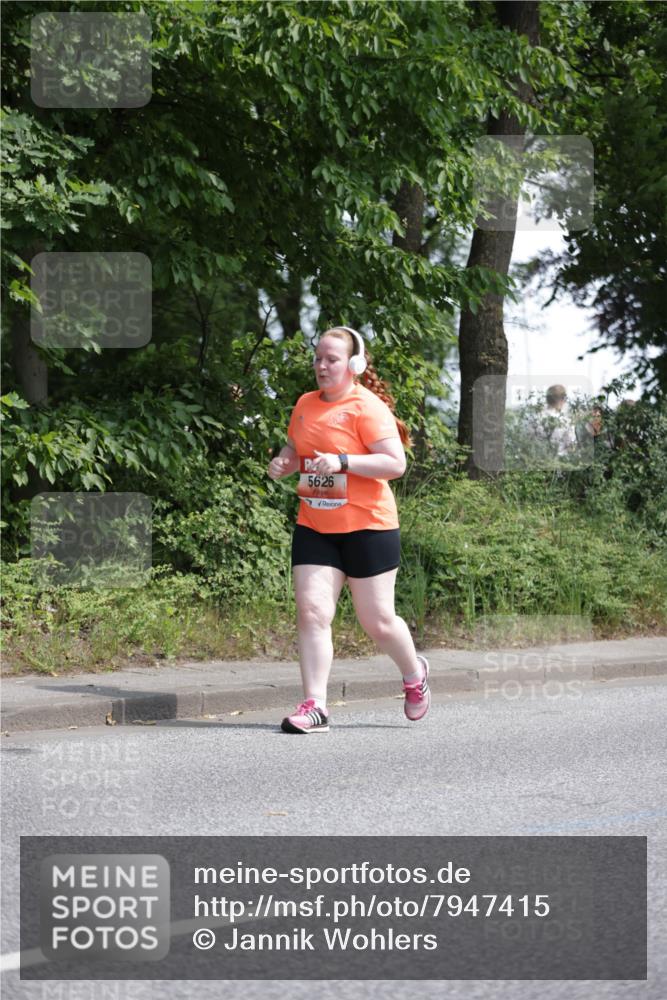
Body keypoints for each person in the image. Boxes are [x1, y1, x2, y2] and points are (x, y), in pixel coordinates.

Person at [267, 325, 430, 734]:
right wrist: (285, 462)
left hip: (368, 526)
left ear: (353, 365)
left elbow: (395, 464)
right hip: (316, 525)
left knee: (377, 621)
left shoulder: (366, 406)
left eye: (331, 359)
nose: (321, 366)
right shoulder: (305, 403)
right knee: (312, 611)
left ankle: (414, 674)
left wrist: (343, 461)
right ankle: (315, 705)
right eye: (318, 358)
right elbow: (296, 447)